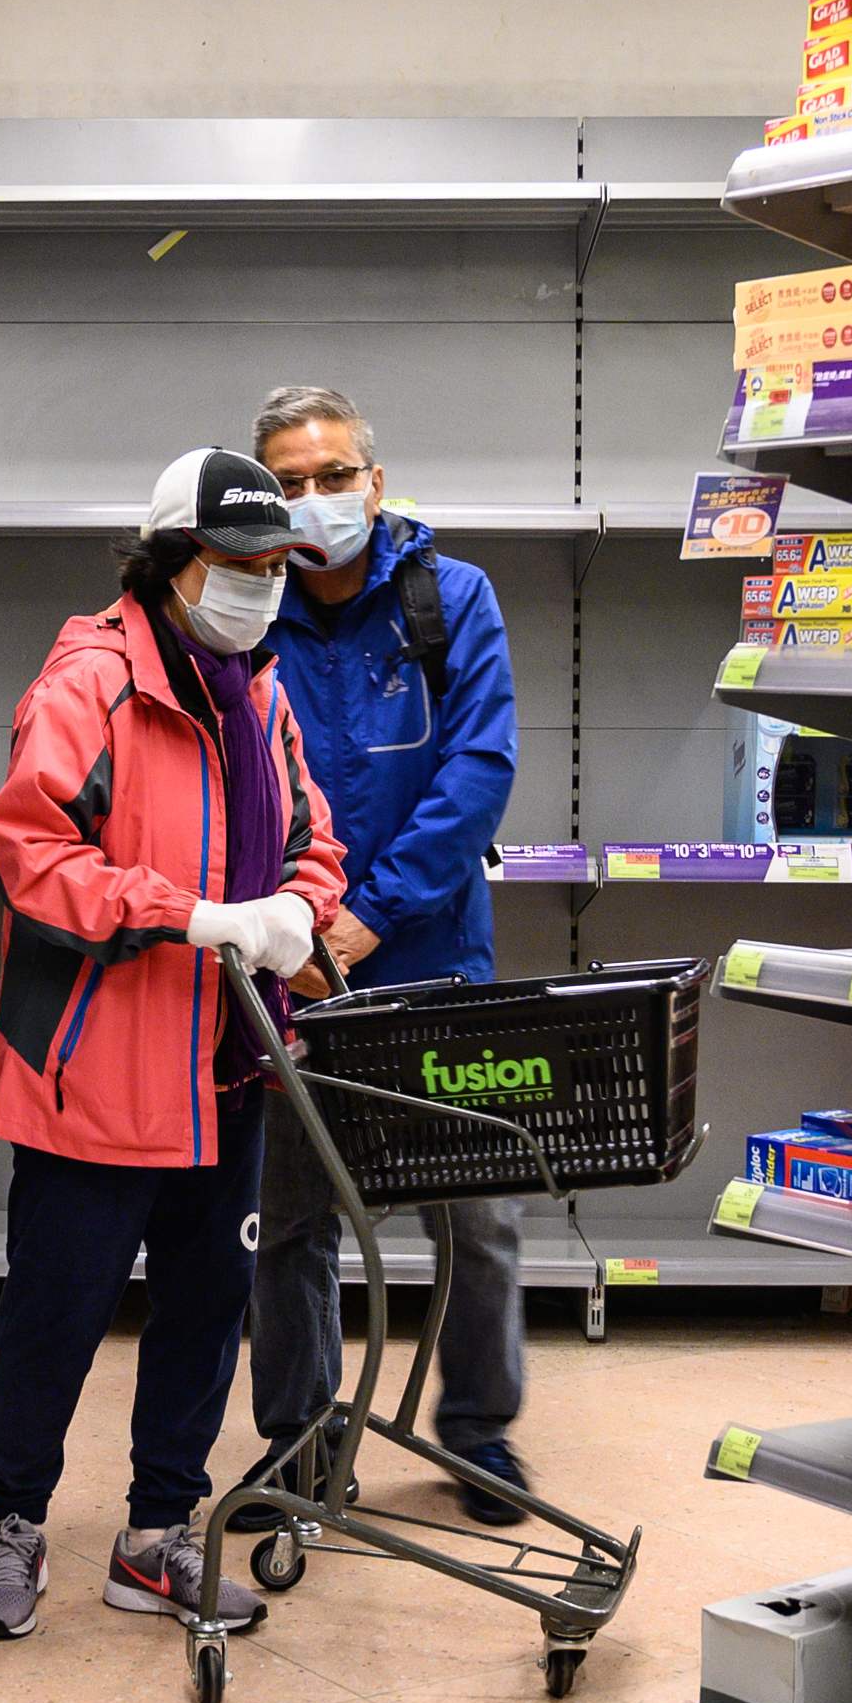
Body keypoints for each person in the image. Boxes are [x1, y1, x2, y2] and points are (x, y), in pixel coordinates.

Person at [0, 447, 347, 1644]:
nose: (258, 587)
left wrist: (297, 910)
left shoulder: (261, 693)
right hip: (94, 1073)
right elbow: (33, 855)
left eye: (274, 565)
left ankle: (155, 1538)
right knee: (55, 1315)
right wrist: (185, 913)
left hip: (227, 1072)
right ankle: (16, 1523)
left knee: (203, 1308)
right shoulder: (91, 682)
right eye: (235, 566)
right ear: (173, 565)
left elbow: (311, 841)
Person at [239, 384, 534, 1525]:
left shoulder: (447, 598)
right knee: (292, 1216)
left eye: (330, 476)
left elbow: (479, 770)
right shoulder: (244, 607)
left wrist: (369, 914)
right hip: (291, 966)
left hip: (429, 955)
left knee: (477, 1218)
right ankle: (302, 1444)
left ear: (373, 479)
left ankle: (477, 1436)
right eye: (286, 483)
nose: (312, 500)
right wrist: (297, 933)